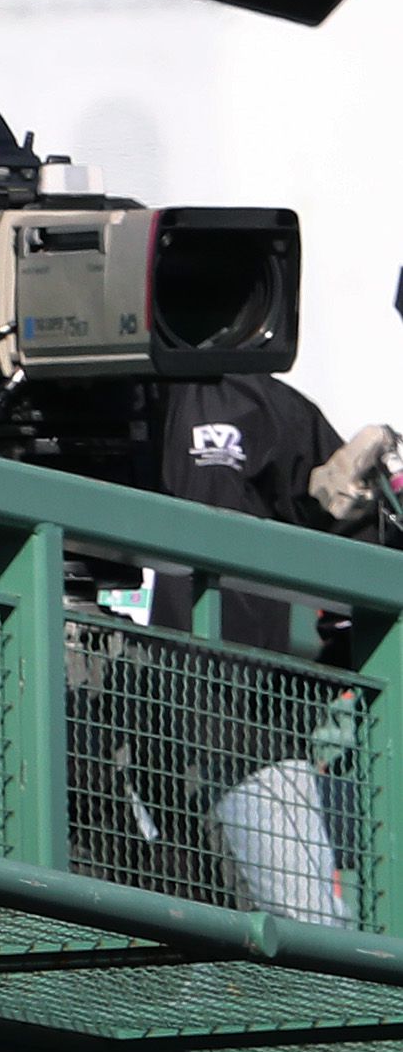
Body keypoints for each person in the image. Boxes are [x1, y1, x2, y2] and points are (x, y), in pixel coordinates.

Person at [130, 364, 394, 921]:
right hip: (82, 709)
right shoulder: (47, 392)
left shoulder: (250, 399)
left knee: (311, 928)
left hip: (239, 720)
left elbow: (354, 531)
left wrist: (354, 499)